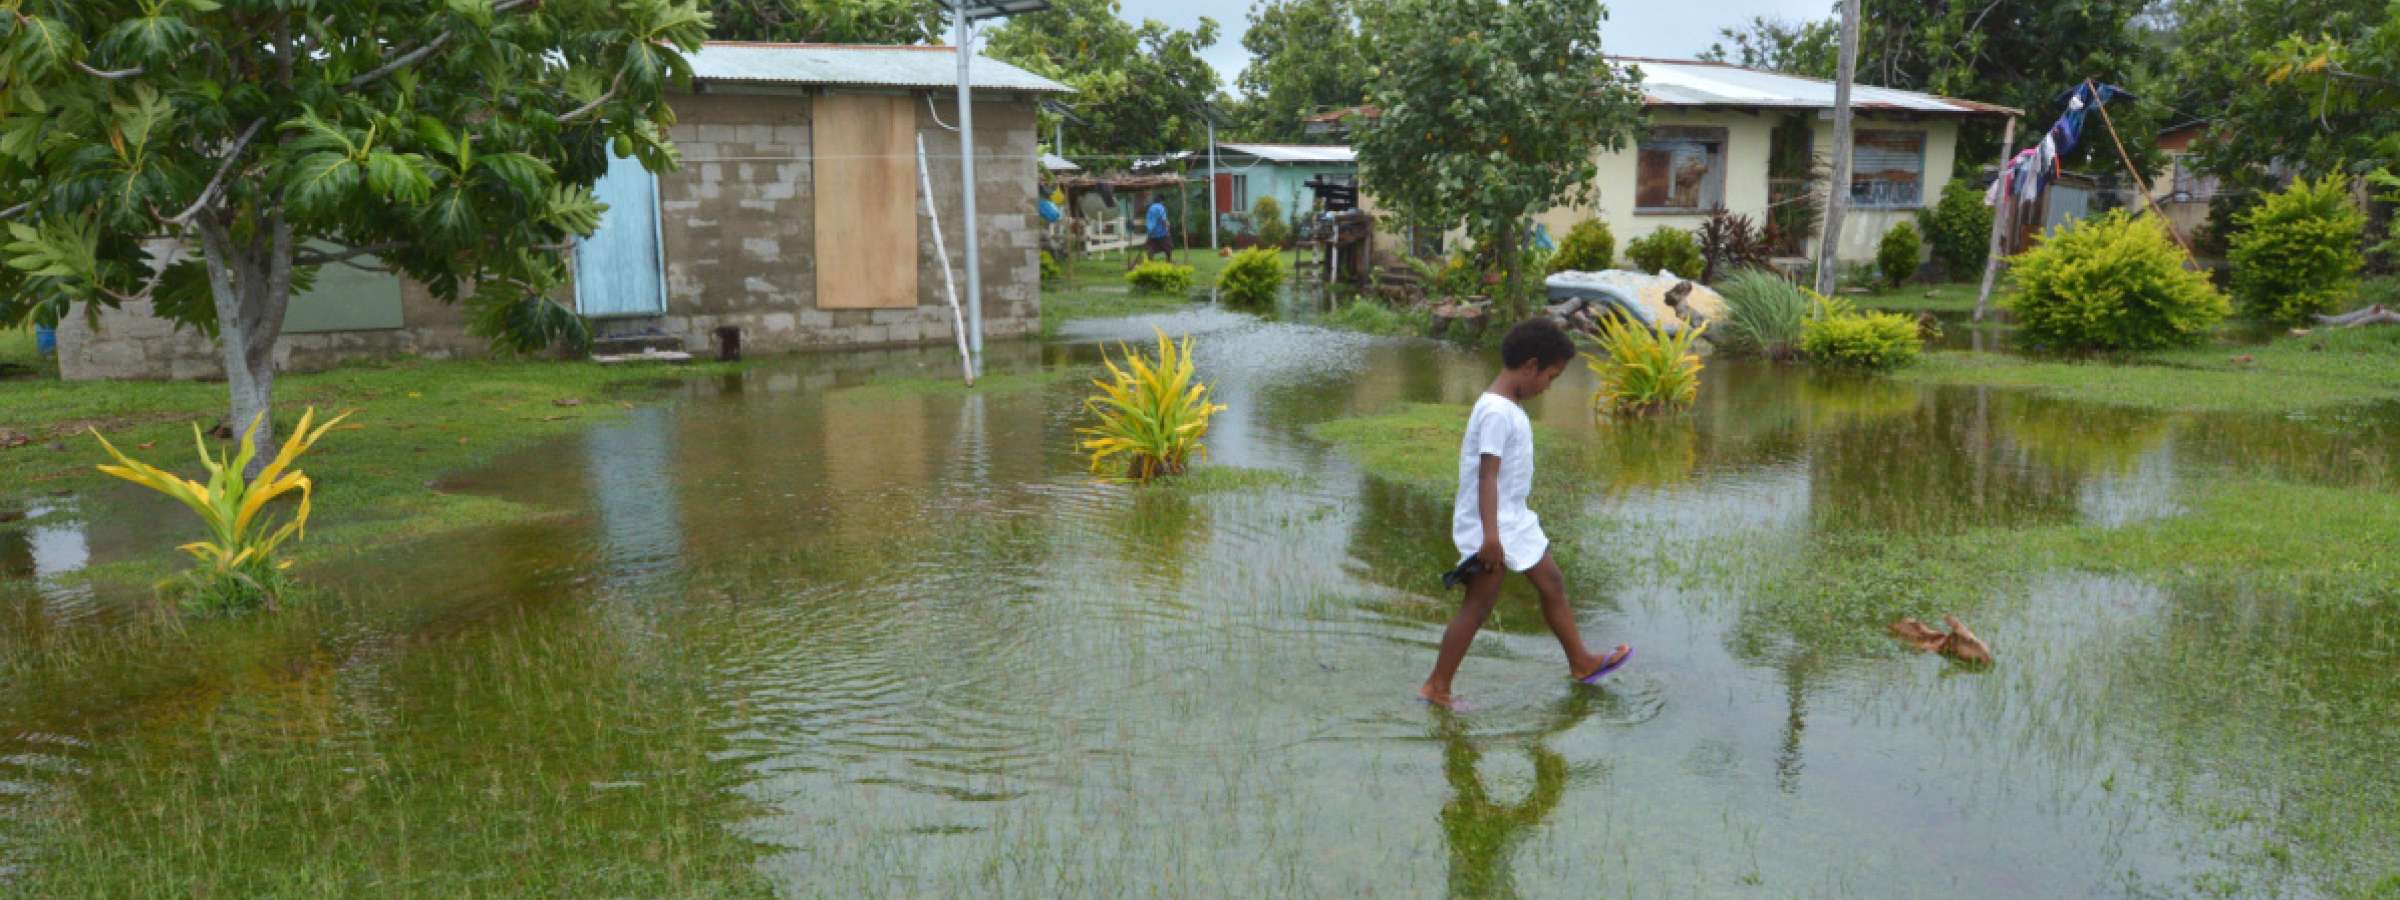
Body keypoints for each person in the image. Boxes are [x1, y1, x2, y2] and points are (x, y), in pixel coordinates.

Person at [1420, 319, 1633, 708]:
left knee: (1552, 581)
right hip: (1491, 526)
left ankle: (1582, 663)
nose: (1548, 386)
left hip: (1513, 518)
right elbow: (1488, 473)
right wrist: (1489, 538)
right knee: (1478, 605)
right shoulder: (1497, 412)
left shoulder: (1509, 406)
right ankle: (1437, 687)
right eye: (1550, 377)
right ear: (1531, 366)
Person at [1143, 192, 1173, 262]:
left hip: (1151, 232)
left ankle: (1150, 262)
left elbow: (1148, 220)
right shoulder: (1161, 207)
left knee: (1151, 247)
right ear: (1162, 200)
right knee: (1169, 246)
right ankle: (1168, 260)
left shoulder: (1150, 208)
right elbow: (1164, 220)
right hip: (1161, 232)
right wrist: (1168, 227)